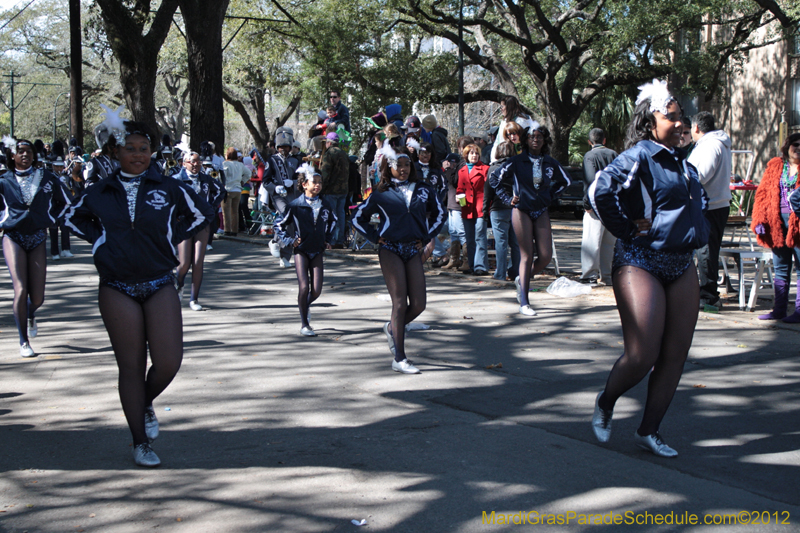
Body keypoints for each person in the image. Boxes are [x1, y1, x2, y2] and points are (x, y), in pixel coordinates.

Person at [65, 118, 214, 467]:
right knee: (131, 366)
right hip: (116, 286)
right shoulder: (99, 190)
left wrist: (168, 238)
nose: (137, 155)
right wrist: (102, 240)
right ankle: (140, 442)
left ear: (152, 152)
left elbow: (202, 214)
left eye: (143, 149)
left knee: (168, 362)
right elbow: (71, 217)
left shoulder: (168, 186)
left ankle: (144, 402)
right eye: (129, 149)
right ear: (115, 153)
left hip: (159, 281)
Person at [588, 79, 709, 457]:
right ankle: (606, 401)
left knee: (674, 355)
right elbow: (599, 191)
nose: (679, 122)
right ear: (649, 122)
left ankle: (649, 430)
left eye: (680, 116)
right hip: (640, 262)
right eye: (670, 117)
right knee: (642, 354)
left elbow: (698, 205)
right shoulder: (640, 155)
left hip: (681, 264)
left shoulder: (684, 162)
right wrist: (627, 227)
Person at [352, 145, 446, 374]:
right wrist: (375, 237)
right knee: (400, 303)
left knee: (419, 304)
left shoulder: (424, 188)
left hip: (413, 249)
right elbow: (357, 217)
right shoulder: (381, 192)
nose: (403, 169)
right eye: (398, 165)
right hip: (390, 249)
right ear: (388, 167)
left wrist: (425, 237)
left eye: (406, 165)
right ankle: (400, 358)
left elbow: (440, 213)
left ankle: (392, 327)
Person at [0, 137, 72, 357]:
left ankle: (30, 313)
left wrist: (51, 218)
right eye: (20, 151)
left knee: (38, 297)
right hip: (13, 237)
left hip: (38, 236)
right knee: (20, 289)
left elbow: (65, 202)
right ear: (12, 155)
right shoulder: (4, 180)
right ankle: (24, 341)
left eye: (29, 151)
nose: (25, 155)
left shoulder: (47, 177)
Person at [490, 123, 571, 316]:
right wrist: (507, 199)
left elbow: (566, 181)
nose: (535, 140)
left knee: (545, 256)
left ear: (544, 141)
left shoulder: (550, 162)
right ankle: (524, 302)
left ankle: (522, 279)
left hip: (541, 210)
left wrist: (550, 196)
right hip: (521, 210)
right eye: (532, 137)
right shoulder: (516, 161)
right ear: (526, 140)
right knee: (526, 254)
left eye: (539, 137)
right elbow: (494, 179)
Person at [274, 164, 337, 336]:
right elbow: (279, 224)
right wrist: (290, 241)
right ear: (304, 185)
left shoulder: (325, 204)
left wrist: (328, 239)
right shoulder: (295, 205)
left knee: (316, 290)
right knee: (303, 287)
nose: (317, 185)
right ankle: (305, 324)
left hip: (317, 250)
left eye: (320, 182)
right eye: (314, 182)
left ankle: (305, 305)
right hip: (301, 251)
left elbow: (333, 221)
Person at [751, 132, 800, 322]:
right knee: (780, 268)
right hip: (777, 223)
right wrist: (759, 220)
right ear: (787, 146)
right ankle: (779, 310)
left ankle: (799, 311)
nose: (798, 148)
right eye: (795, 144)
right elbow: (762, 194)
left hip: (798, 224)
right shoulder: (776, 165)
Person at [688, 112, 732, 310]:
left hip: (710, 205)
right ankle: (704, 293)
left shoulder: (710, 146)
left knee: (705, 252)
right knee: (706, 251)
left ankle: (708, 296)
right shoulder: (717, 144)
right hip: (715, 204)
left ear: (696, 127)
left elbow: (701, 175)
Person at [175, 151, 224, 311]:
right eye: (192, 162)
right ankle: (178, 286)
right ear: (184, 163)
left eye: (198, 162)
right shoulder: (176, 180)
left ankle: (194, 299)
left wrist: (210, 207)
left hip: (202, 222)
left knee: (198, 261)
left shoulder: (206, 179)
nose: (195, 165)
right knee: (184, 263)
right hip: (184, 222)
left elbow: (221, 191)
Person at [580, 128, 618, 285]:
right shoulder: (614, 154)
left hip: (596, 203)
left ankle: (590, 274)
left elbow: (590, 179)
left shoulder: (590, 156)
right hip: (612, 204)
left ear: (590, 142)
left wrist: (587, 203)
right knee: (609, 243)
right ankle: (607, 275)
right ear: (604, 140)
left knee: (592, 240)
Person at [260, 128, 300, 267]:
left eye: (286, 146)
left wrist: (293, 182)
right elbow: (265, 181)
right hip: (278, 196)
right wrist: (275, 187)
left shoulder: (296, 161)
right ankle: (277, 245)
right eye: (281, 146)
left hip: (292, 195)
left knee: (291, 223)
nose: (283, 149)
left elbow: (302, 179)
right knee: (285, 215)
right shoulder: (272, 160)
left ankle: (283, 254)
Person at [484, 142, 520, 280]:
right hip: (516, 209)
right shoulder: (517, 167)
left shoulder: (493, 168)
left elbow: (488, 191)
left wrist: (484, 211)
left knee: (501, 243)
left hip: (498, 208)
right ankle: (516, 272)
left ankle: (500, 273)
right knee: (516, 243)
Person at [457, 143, 490, 275]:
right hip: (467, 208)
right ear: (466, 155)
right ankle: (471, 265)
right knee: (469, 239)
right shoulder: (462, 171)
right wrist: (459, 197)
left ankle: (480, 266)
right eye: (471, 153)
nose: (474, 155)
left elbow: (489, 188)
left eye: (476, 153)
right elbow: (460, 188)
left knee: (480, 237)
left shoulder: (485, 169)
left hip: (480, 207)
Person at [416, 142, 448, 266]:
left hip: (431, 210)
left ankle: (418, 265)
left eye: (428, 153)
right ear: (418, 153)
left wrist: (437, 200)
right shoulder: (412, 167)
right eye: (423, 152)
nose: (425, 155)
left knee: (430, 239)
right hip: (415, 209)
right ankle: (413, 264)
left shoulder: (436, 170)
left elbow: (444, 187)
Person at [320, 132, 350, 248]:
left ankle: (331, 240)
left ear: (329, 143)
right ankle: (339, 241)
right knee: (341, 215)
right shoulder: (344, 153)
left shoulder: (329, 154)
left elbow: (325, 173)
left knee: (332, 216)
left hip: (331, 190)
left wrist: (322, 187)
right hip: (343, 190)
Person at [490, 95, 532, 162]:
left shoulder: (522, 121)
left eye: (502, 106)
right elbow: (498, 140)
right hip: (502, 157)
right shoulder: (504, 121)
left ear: (509, 106)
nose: (501, 109)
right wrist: (494, 159)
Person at [49, 157, 74, 260]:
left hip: (64, 205)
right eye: (57, 167)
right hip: (54, 205)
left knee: (65, 227)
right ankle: (54, 252)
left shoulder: (65, 177)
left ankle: (66, 249)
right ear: (53, 166)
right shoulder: (50, 178)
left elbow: (70, 188)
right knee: (53, 228)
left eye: (61, 167)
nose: (59, 169)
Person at [222, 147, 250, 236]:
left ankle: (227, 230)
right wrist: (242, 181)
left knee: (226, 211)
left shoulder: (225, 164)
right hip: (238, 189)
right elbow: (248, 173)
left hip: (228, 189)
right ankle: (234, 230)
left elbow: (223, 176)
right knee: (235, 211)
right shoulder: (240, 165)